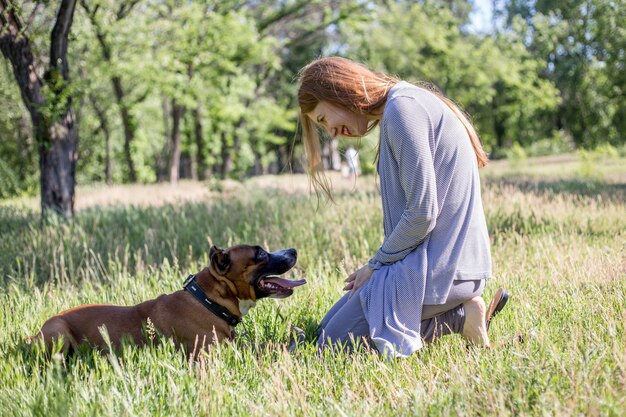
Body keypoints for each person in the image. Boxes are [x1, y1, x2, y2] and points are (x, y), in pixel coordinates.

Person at [297, 56, 509, 358]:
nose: (330, 131)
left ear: (337, 92)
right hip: (431, 263)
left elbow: (422, 212)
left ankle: (460, 316)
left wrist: (375, 265)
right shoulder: (400, 106)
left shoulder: (402, 109)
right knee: (325, 328)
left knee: (334, 344)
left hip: (445, 270)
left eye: (322, 119)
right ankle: (456, 313)